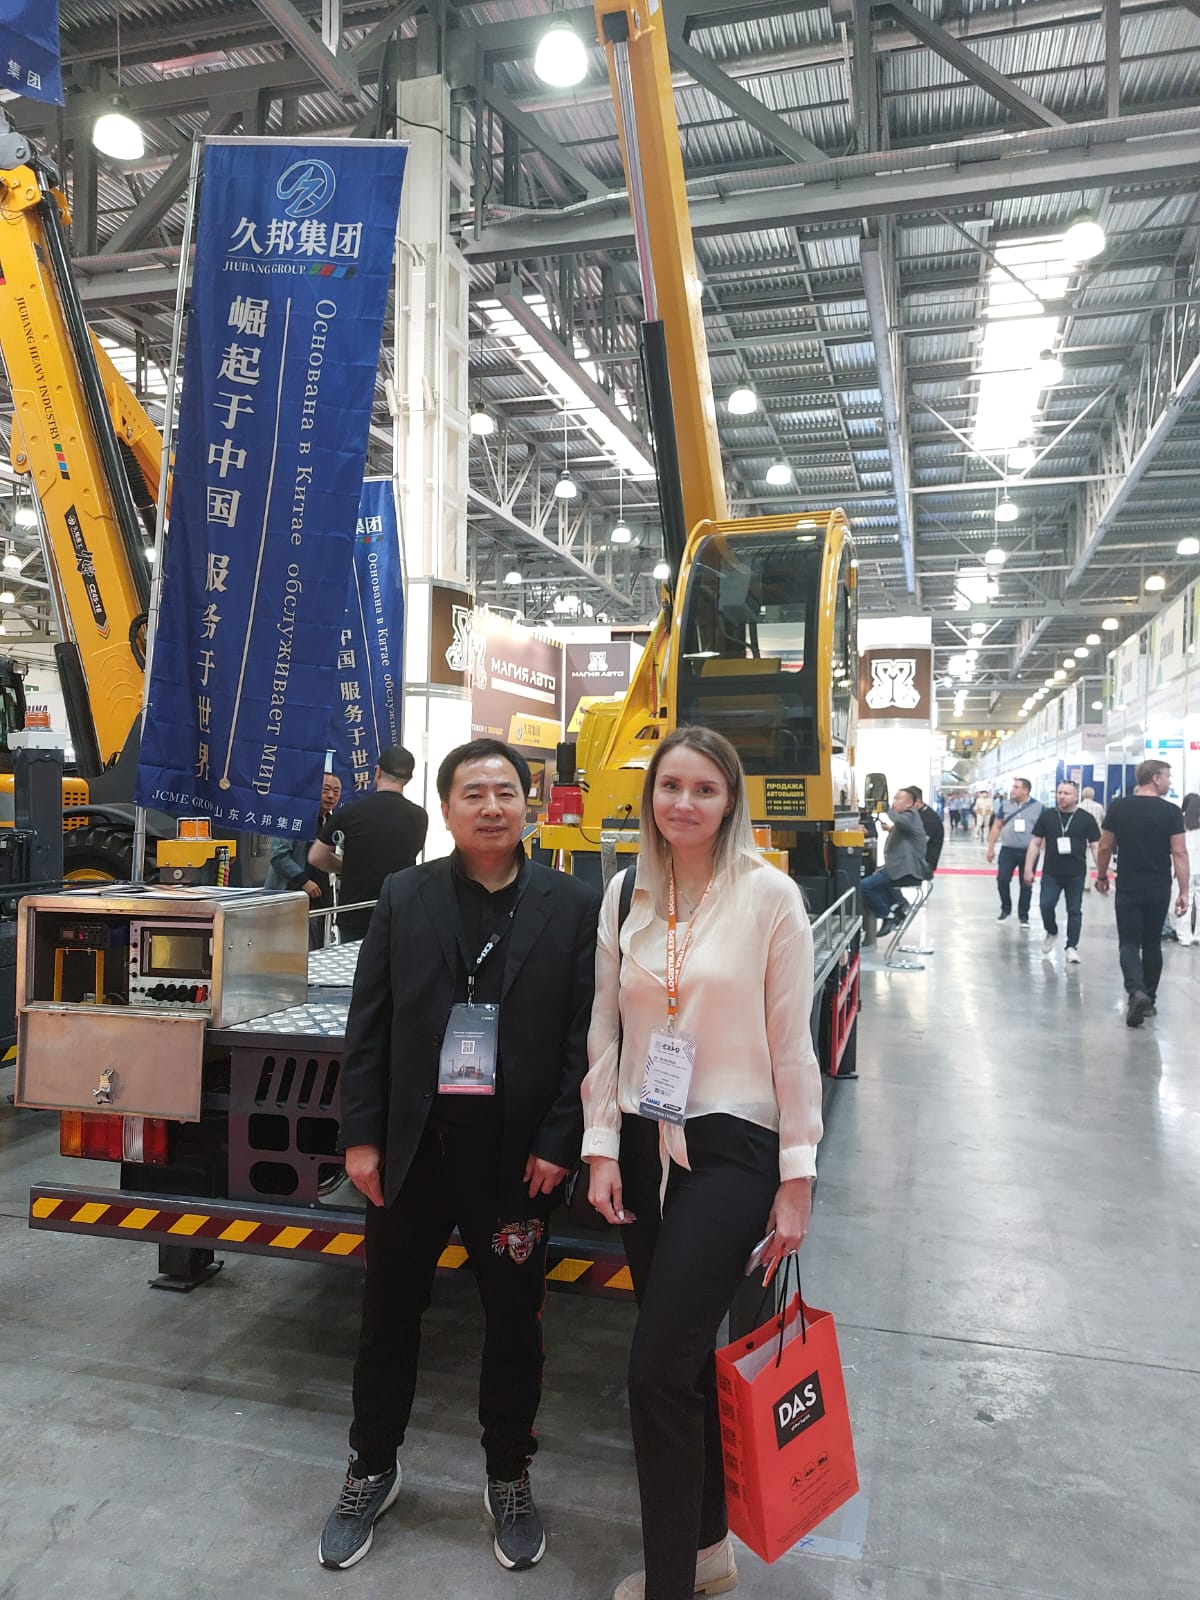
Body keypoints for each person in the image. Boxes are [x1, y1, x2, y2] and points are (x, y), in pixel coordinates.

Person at [318, 739, 600, 1573]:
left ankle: (508, 1475)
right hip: (414, 1152)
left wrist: (559, 1140)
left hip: (516, 1164)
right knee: (386, 1318)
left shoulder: (571, 904)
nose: (491, 806)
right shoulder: (405, 896)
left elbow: (585, 1037)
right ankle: (371, 1468)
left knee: (514, 1325)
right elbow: (369, 1022)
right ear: (444, 810)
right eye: (472, 792)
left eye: (506, 791)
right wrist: (361, 1136)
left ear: (529, 807)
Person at [581, 726, 821, 1600]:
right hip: (647, 1148)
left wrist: (797, 1181)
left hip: (734, 1150)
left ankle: (670, 1583)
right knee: (679, 1368)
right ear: (650, 796)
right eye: (670, 786)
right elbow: (605, 1030)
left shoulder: (770, 897)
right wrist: (601, 1147)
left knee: (655, 1368)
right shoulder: (624, 894)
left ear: (730, 801)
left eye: (704, 789)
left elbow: (793, 1047)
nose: (683, 803)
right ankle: (708, 1549)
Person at [1094, 759, 1189, 1026]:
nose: (1169, 781)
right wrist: (1183, 891)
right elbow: (1179, 852)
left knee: (1128, 942)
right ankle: (1149, 999)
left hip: (1128, 884)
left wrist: (1101, 875)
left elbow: (1105, 846)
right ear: (1156, 779)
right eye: (1168, 776)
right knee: (1151, 943)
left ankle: (1136, 991)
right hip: (1158, 886)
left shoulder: (1119, 807)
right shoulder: (1171, 812)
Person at [308, 745, 428, 941]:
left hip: (355, 912)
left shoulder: (350, 812)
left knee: (354, 959)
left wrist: (345, 866)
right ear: (408, 779)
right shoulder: (419, 816)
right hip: (398, 909)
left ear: (378, 772)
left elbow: (316, 856)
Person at [1023, 780, 1100, 964]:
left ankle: (1071, 946)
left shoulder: (1086, 819)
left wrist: (1102, 871)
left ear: (1076, 797)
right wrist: (1028, 868)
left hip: (1076, 872)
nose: (1061, 796)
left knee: (1074, 910)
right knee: (1045, 905)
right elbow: (1035, 843)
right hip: (1052, 872)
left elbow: (1095, 846)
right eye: (1059, 792)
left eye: (1066, 793)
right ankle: (1051, 930)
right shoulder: (1048, 816)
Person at [264, 772, 341, 948]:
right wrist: (304, 881)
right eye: (325, 790)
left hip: (323, 897)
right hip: (292, 895)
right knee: (291, 949)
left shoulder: (331, 822)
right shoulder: (293, 816)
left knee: (319, 949)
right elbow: (279, 855)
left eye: (336, 792)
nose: (331, 796)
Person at [859, 786, 929, 934]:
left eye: (898, 798)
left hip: (906, 871)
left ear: (909, 803)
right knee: (876, 880)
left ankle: (888, 915)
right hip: (898, 868)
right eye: (894, 798)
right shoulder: (907, 819)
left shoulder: (910, 815)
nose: (894, 802)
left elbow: (900, 820)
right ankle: (897, 906)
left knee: (864, 886)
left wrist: (886, 808)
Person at [986, 777, 1043, 927]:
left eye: (1016, 787)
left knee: (1026, 883)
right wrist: (991, 847)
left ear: (1025, 790)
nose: (1013, 790)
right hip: (1008, 850)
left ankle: (1023, 915)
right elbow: (996, 826)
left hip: (1029, 852)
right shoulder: (1005, 805)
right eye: (1013, 787)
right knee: (1002, 879)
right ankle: (1006, 908)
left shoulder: (1039, 807)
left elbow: (1044, 831)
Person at [1172, 793, 1200, 945]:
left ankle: (1184, 936)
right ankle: (1198, 935)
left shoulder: (1181, 822)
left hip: (1186, 867)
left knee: (1184, 900)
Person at [908, 784, 944, 874]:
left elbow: (919, 842)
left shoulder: (929, 818)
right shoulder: (918, 814)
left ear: (917, 801)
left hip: (923, 863)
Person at [1077, 785, 1105, 890]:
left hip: (1081, 836)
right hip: (1096, 836)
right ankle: (1101, 878)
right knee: (1098, 858)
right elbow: (1103, 819)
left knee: (1084, 860)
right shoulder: (1099, 807)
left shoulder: (1078, 806)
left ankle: (1086, 884)